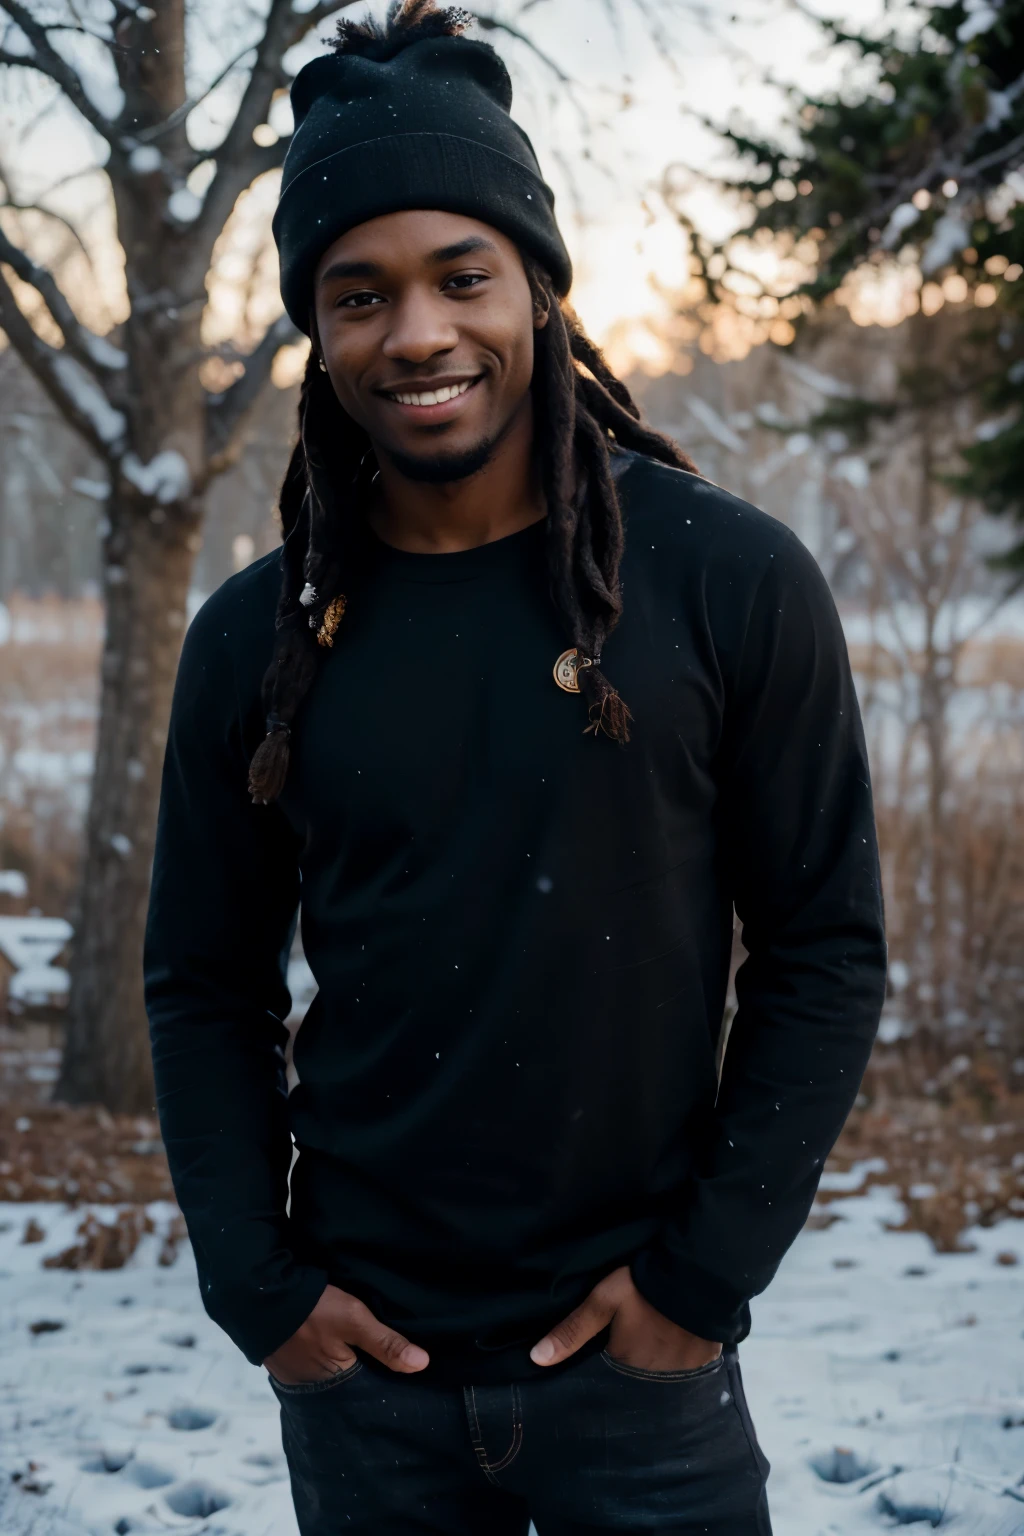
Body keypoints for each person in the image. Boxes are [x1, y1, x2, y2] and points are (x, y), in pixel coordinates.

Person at [144, 3, 887, 1532]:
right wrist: (261, 1291)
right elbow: (200, 984)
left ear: (541, 289)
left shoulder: (722, 579)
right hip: (368, 1385)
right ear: (315, 327)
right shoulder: (255, 641)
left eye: (460, 276)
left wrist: (703, 1274)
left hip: (647, 1376)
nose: (416, 333)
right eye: (359, 294)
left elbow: (824, 945)